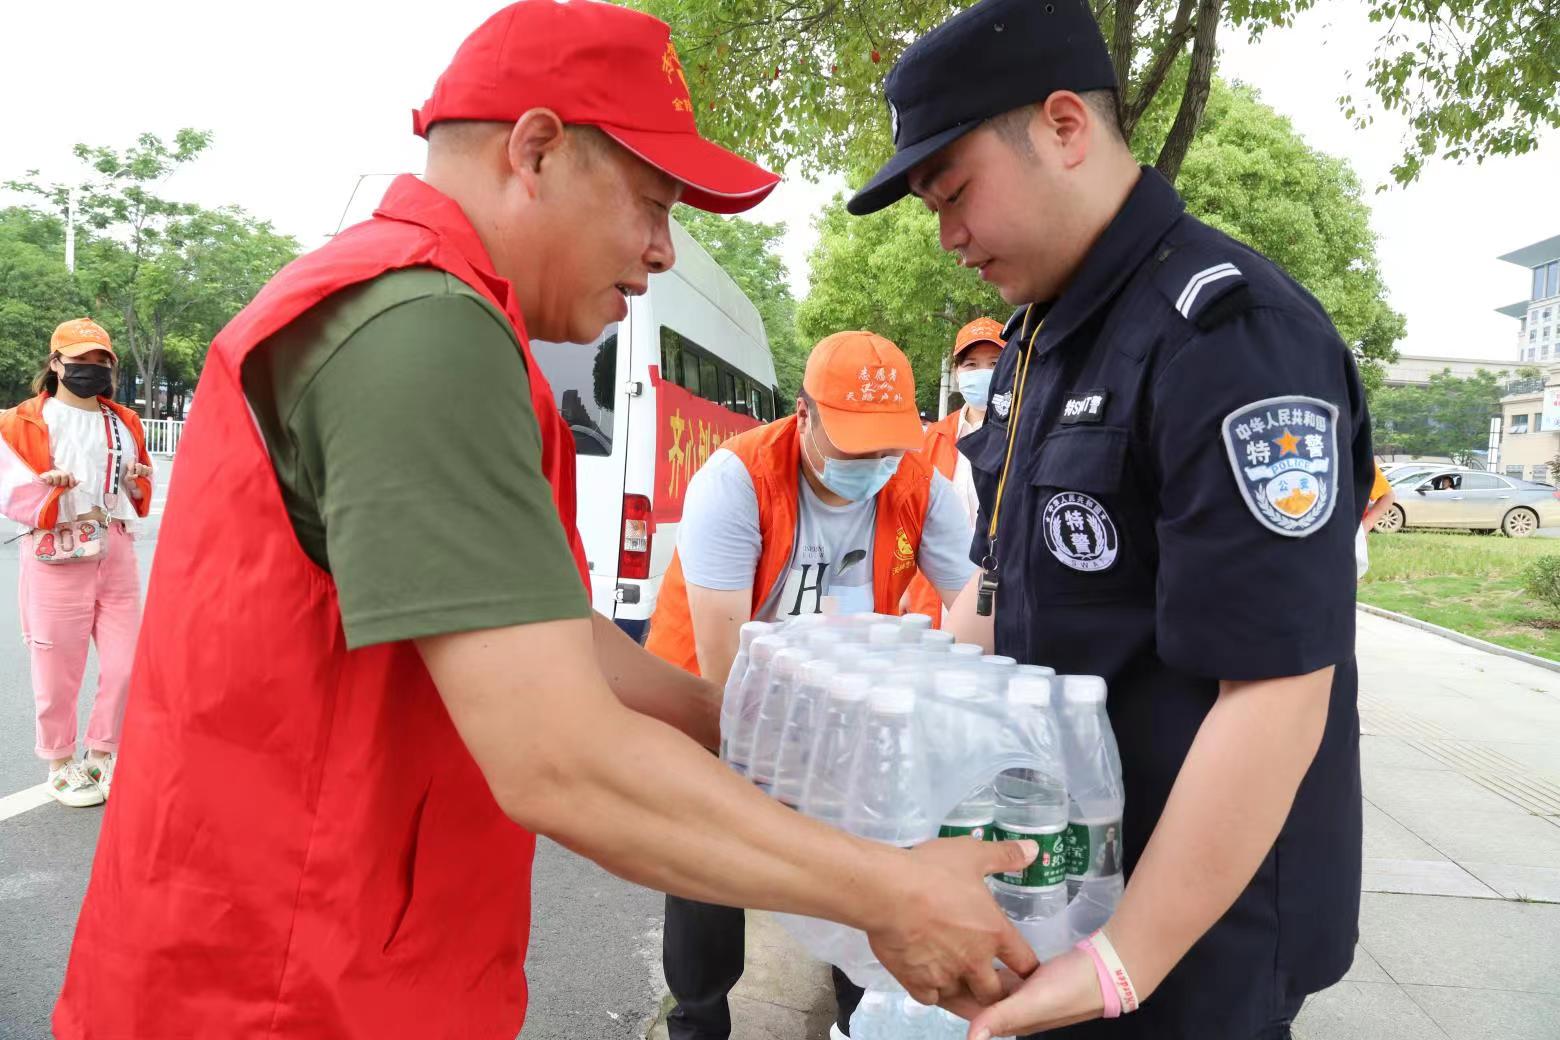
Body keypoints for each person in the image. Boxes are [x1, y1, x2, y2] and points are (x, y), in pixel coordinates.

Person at [54, 5, 1041, 1038]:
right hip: (281, 988)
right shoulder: (420, 328)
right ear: (534, 151)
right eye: (652, 205)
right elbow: (561, 755)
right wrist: (889, 890)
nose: (662, 251)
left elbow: (558, 638)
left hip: (351, 958)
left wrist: (748, 729)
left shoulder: (443, 317)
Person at [846, 1, 1372, 1037]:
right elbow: (997, 588)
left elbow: (1276, 686)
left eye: (955, 192)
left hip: (1196, 935)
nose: (948, 237)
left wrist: (1123, 960)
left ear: (1064, 127)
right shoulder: (1039, 344)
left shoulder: (1230, 339)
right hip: (1067, 883)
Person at [646, 329, 980, 1040]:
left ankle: (861, 1017)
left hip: (840, 701)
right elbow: (725, 667)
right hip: (710, 698)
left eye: (888, 446)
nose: (874, 464)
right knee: (709, 868)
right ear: (804, 415)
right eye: (855, 446)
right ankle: (697, 1023)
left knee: (864, 861)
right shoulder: (737, 481)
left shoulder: (918, 484)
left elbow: (977, 603)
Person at [0, 318, 153, 808]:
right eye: (80, 360)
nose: (91, 368)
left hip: (116, 546)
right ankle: (59, 762)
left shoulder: (124, 422)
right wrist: (47, 487)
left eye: (100, 361)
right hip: (57, 550)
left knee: (127, 663)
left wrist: (137, 479)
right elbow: (9, 488)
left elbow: (138, 487)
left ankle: (102, 752)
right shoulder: (22, 420)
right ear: (56, 364)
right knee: (56, 667)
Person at [904, 316, 1005, 623]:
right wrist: (904, 586)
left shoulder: (1027, 434)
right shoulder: (932, 438)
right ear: (957, 372)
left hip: (1003, 588)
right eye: (971, 364)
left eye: (994, 363)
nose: (983, 373)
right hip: (938, 594)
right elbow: (910, 519)